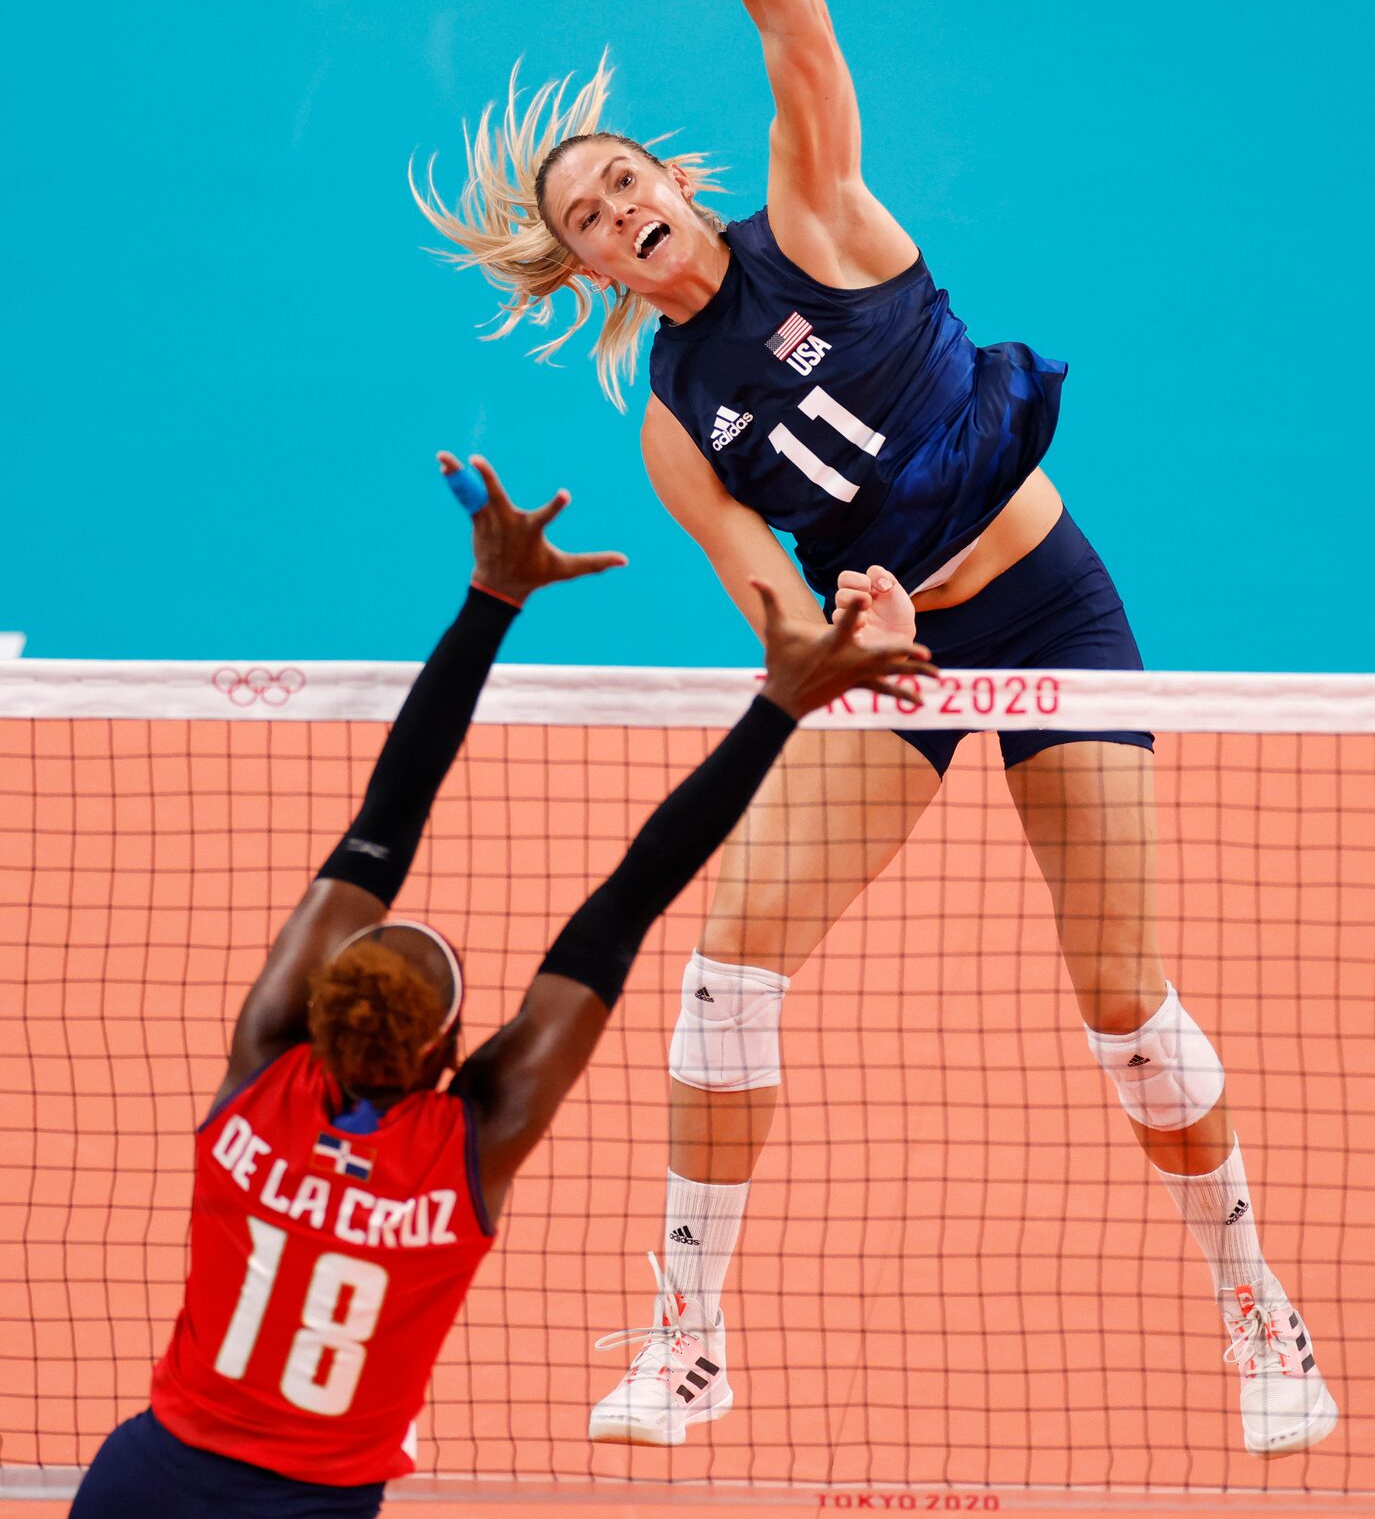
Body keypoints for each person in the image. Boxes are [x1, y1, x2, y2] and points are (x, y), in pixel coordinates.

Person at [411, 0, 1337, 1461]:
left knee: (1126, 1004)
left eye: (628, 177)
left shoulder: (816, 215)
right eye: (594, 214)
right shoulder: (675, 423)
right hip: (892, 664)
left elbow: (792, 23)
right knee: (723, 971)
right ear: (591, 268)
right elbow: (764, 598)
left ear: (676, 184)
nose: (624, 208)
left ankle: (1257, 1303)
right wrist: (838, 635)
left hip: (1052, 608)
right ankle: (691, 1342)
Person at [68, 452, 934, 1517]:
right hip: (315, 1505)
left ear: (311, 1011)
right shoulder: (466, 1149)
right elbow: (628, 902)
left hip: (147, 1480)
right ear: (448, 1055)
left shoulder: (258, 1089)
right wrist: (779, 705)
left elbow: (384, 822)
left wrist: (490, 596)